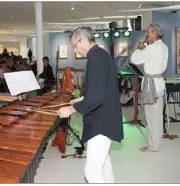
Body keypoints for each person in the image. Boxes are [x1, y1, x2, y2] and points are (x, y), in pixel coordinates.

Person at [57, 27, 123, 183]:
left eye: (75, 45)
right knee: (104, 163)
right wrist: (82, 99)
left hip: (101, 121)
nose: (75, 49)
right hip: (106, 116)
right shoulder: (101, 55)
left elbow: (97, 96)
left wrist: (71, 109)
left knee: (92, 171)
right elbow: (102, 89)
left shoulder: (96, 59)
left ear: (84, 40)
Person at [130, 24, 168, 152]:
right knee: (157, 115)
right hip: (158, 84)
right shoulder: (164, 47)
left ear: (156, 34)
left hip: (151, 86)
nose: (147, 35)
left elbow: (134, 59)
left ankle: (153, 146)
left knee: (151, 117)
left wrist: (139, 48)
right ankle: (156, 143)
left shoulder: (151, 48)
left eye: (149, 32)